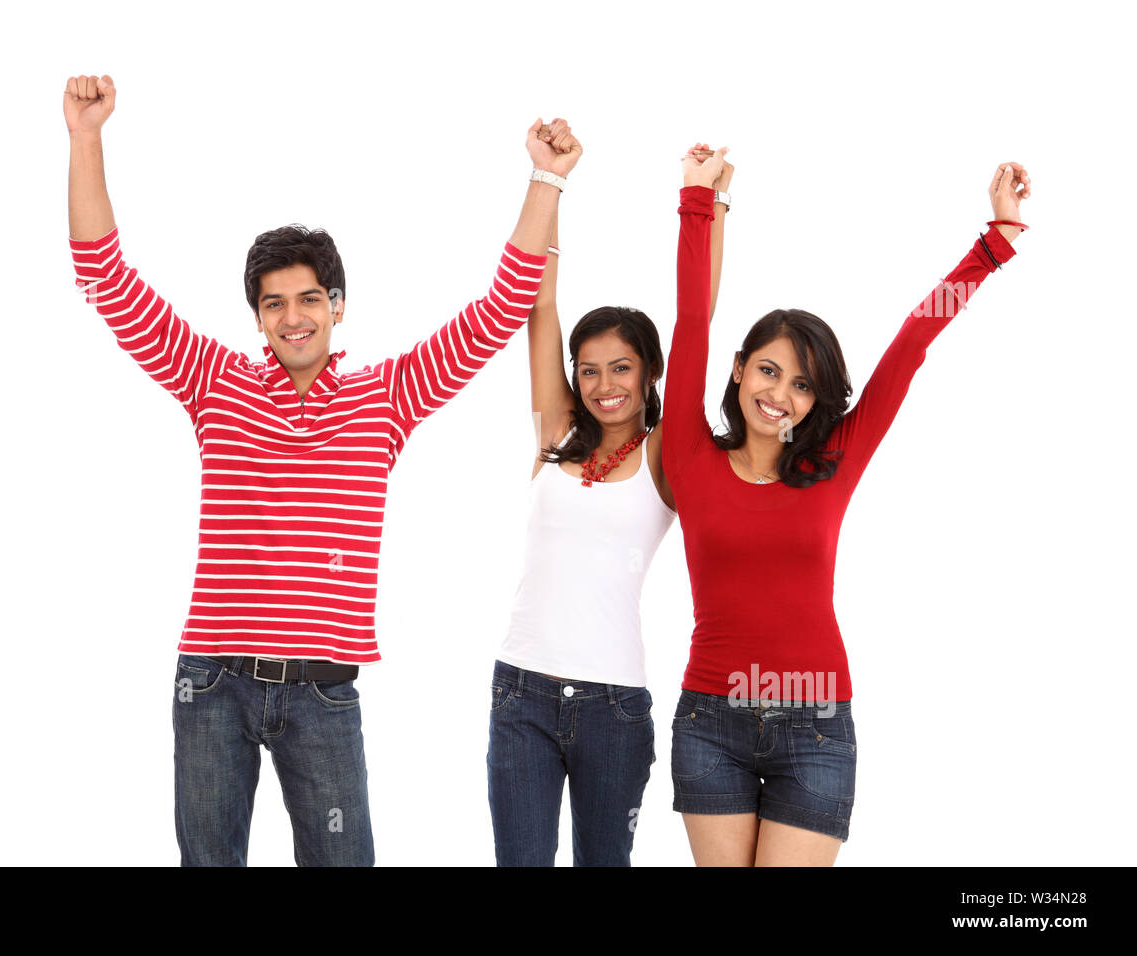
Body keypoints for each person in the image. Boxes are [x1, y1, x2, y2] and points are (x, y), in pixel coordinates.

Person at [64, 72, 576, 865]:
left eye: (309, 299)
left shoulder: (387, 395)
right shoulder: (213, 379)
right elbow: (105, 277)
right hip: (214, 682)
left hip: (323, 692)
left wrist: (544, 179)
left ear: (338, 305)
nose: (293, 317)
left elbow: (502, 309)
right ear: (257, 316)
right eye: (274, 304)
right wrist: (87, 138)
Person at [663, 145, 1029, 866]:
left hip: (817, 727)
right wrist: (695, 201)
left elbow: (912, 343)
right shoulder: (690, 456)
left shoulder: (833, 463)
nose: (780, 395)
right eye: (768, 371)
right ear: (738, 372)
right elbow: (690, 319)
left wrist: (993, 244)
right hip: (710, 722)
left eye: (802, 385)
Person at [486, 133, 731, 866]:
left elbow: (698, 320)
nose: (604, 385)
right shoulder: (555, 433)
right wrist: (548, 181)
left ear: (650, 372)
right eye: (588, 370)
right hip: (520, 696)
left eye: (621, 367)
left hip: (614, 710)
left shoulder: (666, 454)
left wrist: (714, 201)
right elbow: (542, 302)